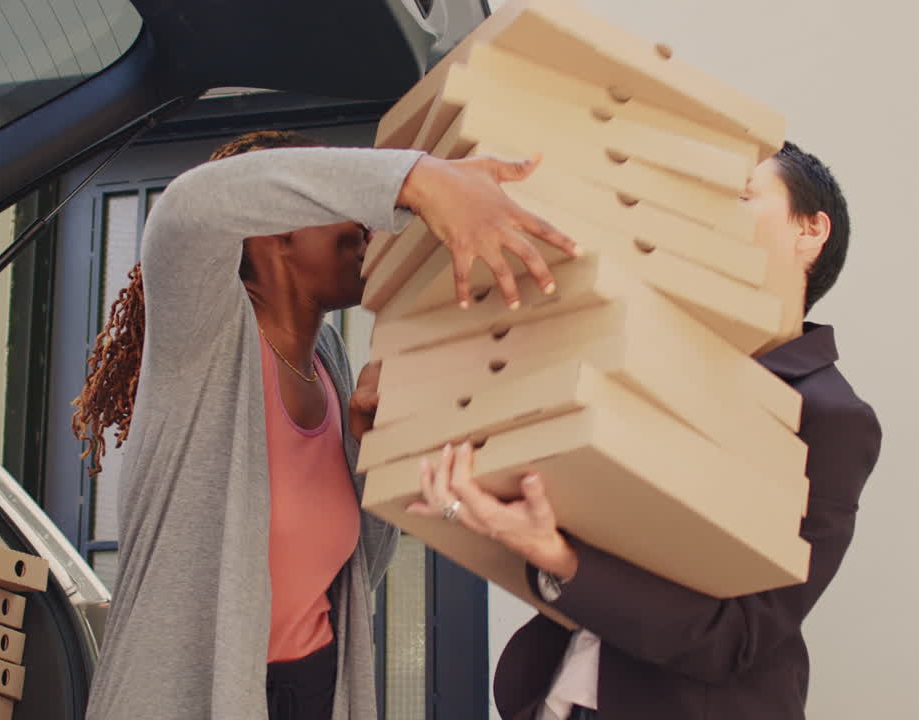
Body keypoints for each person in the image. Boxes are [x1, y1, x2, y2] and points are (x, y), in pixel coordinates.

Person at [73, 130, 580, 720]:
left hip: (312, 690)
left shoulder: (331, 365)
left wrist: (375, 455)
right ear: (275, 227)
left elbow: (357, 570)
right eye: (337, 207)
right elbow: (188, 207)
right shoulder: (205, 341)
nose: (368, 227)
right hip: (193, 698)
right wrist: (417, 179)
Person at [409, 140, 882, 720]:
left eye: (740, 196)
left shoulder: (831, 416)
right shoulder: (646, 362)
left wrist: (559, 559)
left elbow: (742, 633)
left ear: (810, 230)